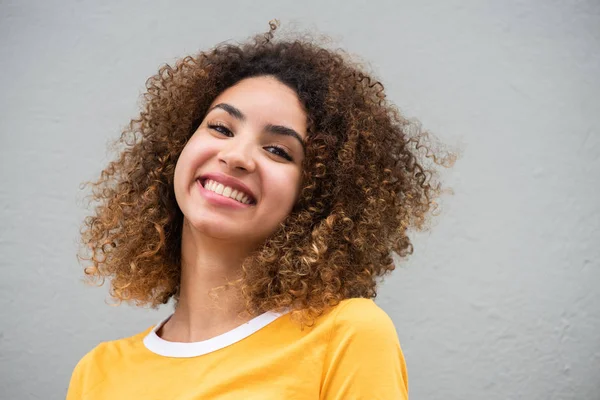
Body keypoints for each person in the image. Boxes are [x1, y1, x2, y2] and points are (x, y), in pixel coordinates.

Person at [67, 21, 452, 399]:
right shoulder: (97, 373)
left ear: (315, 198)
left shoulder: (346, 335)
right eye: (220, 128)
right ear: (177, 147)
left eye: (278, 150)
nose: (236, 156)